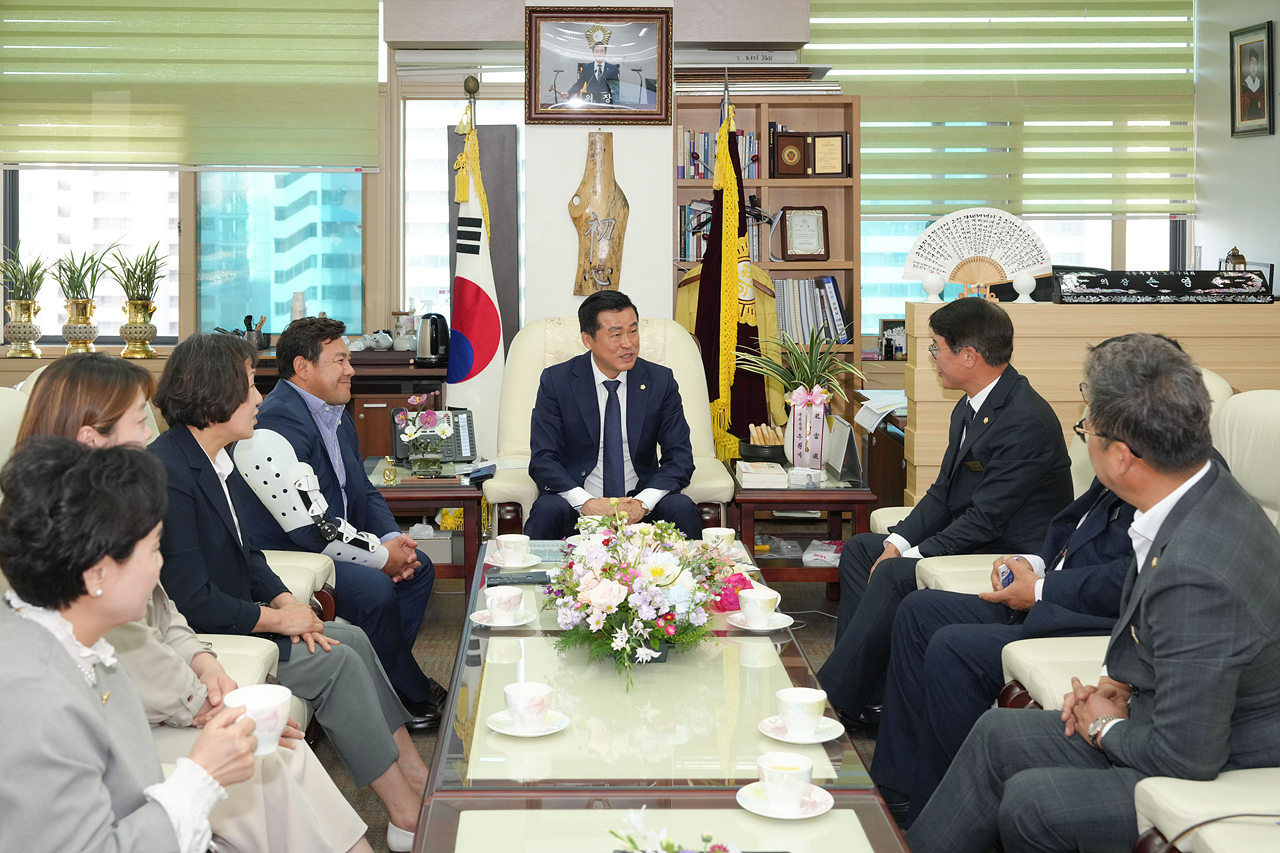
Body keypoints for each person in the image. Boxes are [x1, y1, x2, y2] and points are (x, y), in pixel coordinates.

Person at [906, 333, 1280, 853]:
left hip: (1226, 752)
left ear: (1122, 457)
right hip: (1171, 711)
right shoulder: (1198, 488)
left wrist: (1103, 727)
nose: (1084, 437)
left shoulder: (1198, 572)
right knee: (996, 732)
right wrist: (1119, 686)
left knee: (1033, 802)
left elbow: (1185, 756)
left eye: (1088, 429)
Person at [15, 351, 370, 853]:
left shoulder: (102, 544)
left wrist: (204, 669)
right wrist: (202, 735)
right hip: (144, 741)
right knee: (265, 764)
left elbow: (167, 613)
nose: (149, 435)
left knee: (278, 757)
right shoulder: (38, 687)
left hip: (149, 720)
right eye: (140, 420)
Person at [150, 333, 431, 853]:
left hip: (246, 614)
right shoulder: (168, 473)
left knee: (352, 638)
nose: (260, 398)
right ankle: (406, 813)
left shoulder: (216, 458)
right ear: (214, 393)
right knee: (337, 661)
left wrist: (287, 602)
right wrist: (279, 621)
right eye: (248, 386)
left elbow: (250, 557)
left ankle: (416, 775)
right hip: (211, 632)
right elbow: (191, 601)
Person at [817, 297, 1073, 728]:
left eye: (937, 348)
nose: (932, 359)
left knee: (899, 571)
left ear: (969, 356)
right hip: (982, 532)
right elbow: (942, 494)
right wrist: (898, 541)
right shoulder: (972, 405)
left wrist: (914, 555)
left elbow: (986, 520)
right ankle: (869, 695)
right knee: (864, 549)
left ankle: (832, 695)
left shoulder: (1023, 419)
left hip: (1012, 552)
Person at [0, 437, 259, 853]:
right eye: (154, 548)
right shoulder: (32, 697)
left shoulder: (78, 644)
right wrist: (200, 779)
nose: (161, 564)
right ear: (97, 574)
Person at [872, 473, 1135, 825]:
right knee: (919, 610)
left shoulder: (1167, 472)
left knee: (953, 649)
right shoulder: (1127, 457)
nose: (1094, 438)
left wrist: (1042, 588)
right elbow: (1073, 532)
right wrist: (1029, 565)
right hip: (1050, 594)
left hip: (1087, 616)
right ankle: (898, 785)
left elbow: (1128, 581)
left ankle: (942, 815)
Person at [229, 316, 447, 732]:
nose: (351, 370)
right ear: (303, 368)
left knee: (419, 571)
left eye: (349, 359)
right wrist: (382, 558)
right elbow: (311, 527)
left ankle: (387, 684)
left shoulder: (336, 412)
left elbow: (361, 488)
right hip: (294, 554)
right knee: (376, 588)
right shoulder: (275, 424)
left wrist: (390, 540)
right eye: (341, 360)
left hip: (338, 542)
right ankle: (410, 692)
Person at [525, 290, 701, 541]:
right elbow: (543, 459)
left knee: (682, 507)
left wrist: (642, 502)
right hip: (580, 504)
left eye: (633, 331)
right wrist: (585, 502)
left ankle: (695, 578)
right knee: (546, 510)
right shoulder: (557, 381)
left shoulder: (660, 381)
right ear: (588, 339)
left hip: (640, 504)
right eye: (616, 334)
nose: (628, 343)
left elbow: (680, 457)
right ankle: (535, 580)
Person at [563, 40, 620, 104]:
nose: (599, 53)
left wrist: (616, 102)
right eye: (597, 51)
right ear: (593, 52)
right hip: (590, 102)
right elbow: (579, 84)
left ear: (605, 52)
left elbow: (616, 88)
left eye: (601, 51)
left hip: (606, 103)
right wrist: (569, 93)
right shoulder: (586, 68)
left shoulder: (612, 68)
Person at [1242, 48, 1266, 121]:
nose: (1253, 67)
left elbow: (1263, 100)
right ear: (1249, 65)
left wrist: (1261, 103)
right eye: (1252, 63)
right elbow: (1244, 101)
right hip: (1249, 116)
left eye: (1255, 63)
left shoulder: (1260, 84)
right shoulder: (1245, 84)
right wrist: (1256, 104)